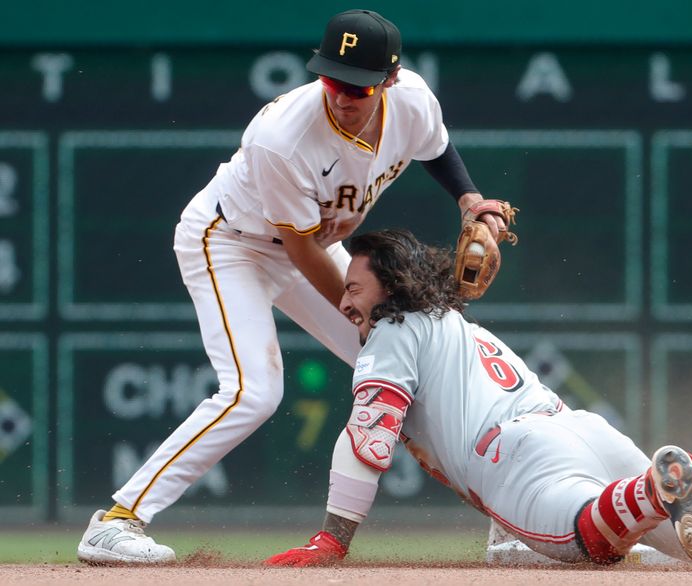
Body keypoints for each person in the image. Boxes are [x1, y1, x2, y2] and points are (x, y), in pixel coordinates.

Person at [77, 9, 506, 564]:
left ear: (390, 81)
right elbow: (302, 250)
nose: (343, 94)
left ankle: (508, 519)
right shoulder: (283, 138)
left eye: (358, 85)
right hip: (231, 242)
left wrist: (471, 200)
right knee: (253, 391)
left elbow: (437, 149)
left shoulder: (413, 101)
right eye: (331, 78)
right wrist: (367, 317)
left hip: (307, 242)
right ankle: (116, 521)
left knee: (419, 370)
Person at [265, 229, 692, 570]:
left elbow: (370, 437)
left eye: (355, 289)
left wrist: (332, 540)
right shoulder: (460, 327)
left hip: (518, 459)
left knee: (588, 542)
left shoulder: (390, 333)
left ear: (390, 289)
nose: (344, 300)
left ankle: (647, 495)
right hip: (578, 431)